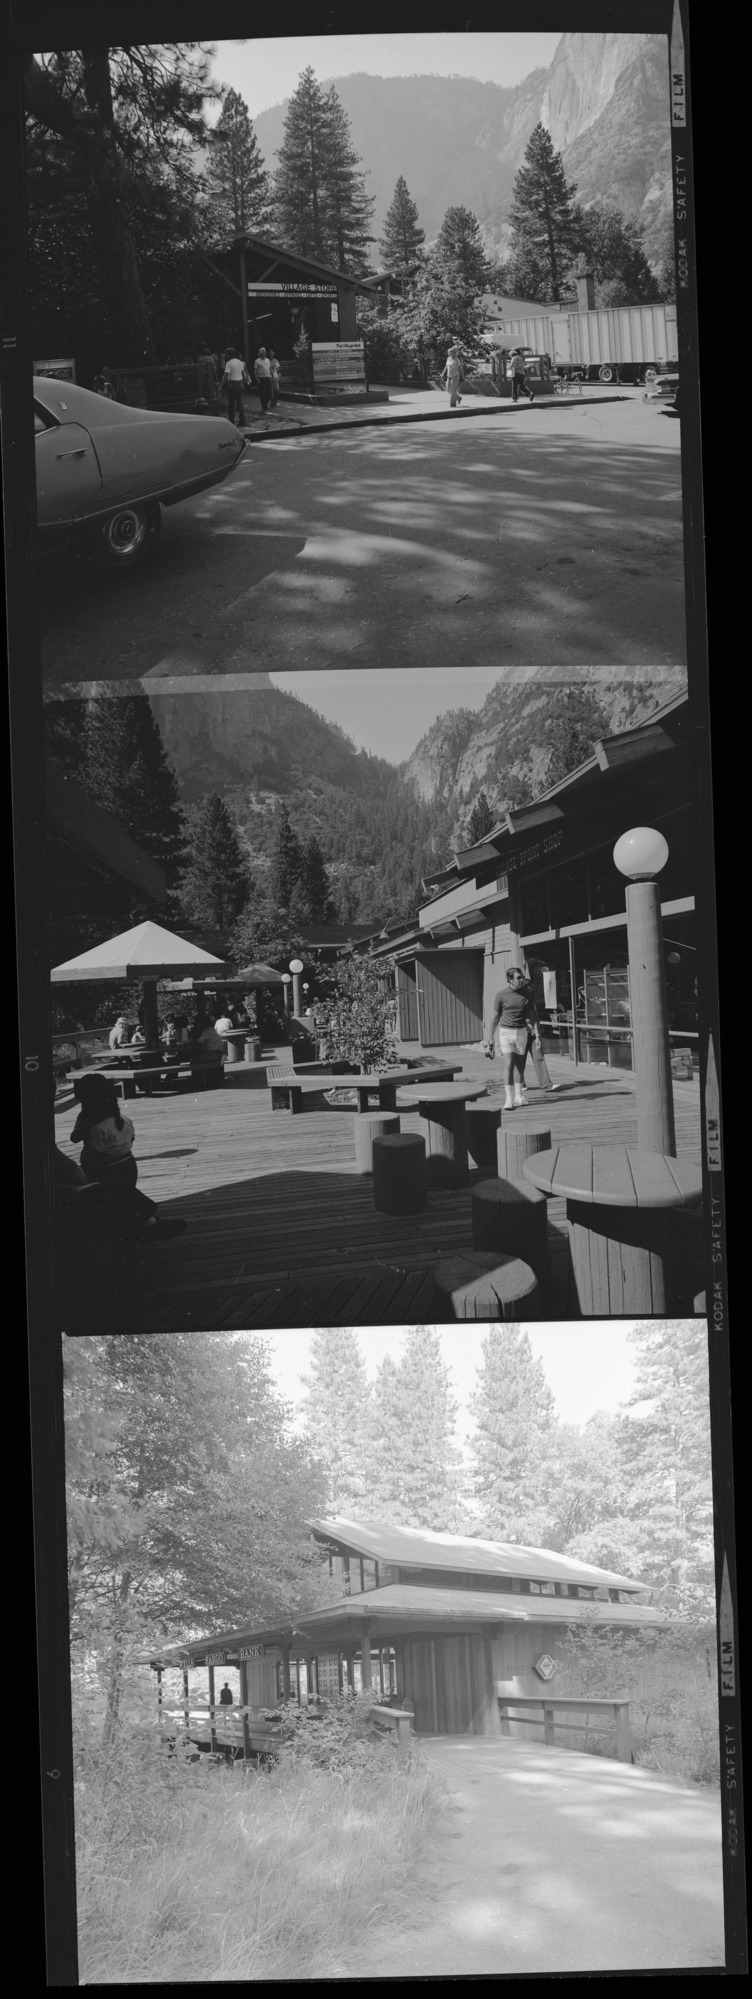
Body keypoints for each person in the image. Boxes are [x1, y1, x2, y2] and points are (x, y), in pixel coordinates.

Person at [70, 1074, 185, 1239]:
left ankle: (141, 1226)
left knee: (114, 1199)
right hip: (128, 1163)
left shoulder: (94, 1127)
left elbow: (91, 1150)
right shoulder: (123, 1120)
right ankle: (146, 1223)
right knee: (124, 1197)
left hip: (105, 1168)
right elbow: (131, 1140)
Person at [485, 966, 540, 1109]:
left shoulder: (527, 994)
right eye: (518, 978)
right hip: (506, 1033)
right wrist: (491, 1037)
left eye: (522, 978)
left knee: (519, 1066)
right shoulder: (501, 995)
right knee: (509, 1064)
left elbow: (533, 1016)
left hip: (521, 1033)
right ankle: (509, 1099)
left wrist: (537, 1035)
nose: (521, 980)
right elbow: (495, 1018)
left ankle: (519, 1096)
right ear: (510, 979)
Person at [516, 971, 563, 1095]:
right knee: (520, 1059)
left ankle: (546, 1084)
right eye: (528, 987)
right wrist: (526, 1026)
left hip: (533, 1031)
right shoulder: (519, 1000)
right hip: (521, 1031)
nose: (531, 989)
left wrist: (537, 1034)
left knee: (539, 1057)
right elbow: (514, 1017)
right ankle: (520, 1083)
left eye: (531, 987)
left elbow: (534, 1017)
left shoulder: (531, 1000)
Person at [220, 346, 251, 427]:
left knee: (231, 404)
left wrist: (221, 385)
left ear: (229, 354)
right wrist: (245, 381)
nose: (225, 356)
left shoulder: (229, 363)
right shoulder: (240, 362)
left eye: (226, 354)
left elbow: (225, 375)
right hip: (239, 383)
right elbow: (243, 373)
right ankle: (242, 421)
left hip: (232, 384)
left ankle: (231, 420)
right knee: (240, 403)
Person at [441, 344, 462, 409]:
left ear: (454, 353)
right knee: (448, 389)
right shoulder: (448, 358)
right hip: (449, 375)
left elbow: (459, 368)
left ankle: (452, 403)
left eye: (451, 352)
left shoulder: (457, 359)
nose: (450, 353)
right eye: (449, 352)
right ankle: (458, 398)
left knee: (453, 389)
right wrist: (442, 374)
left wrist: (462, 376)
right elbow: (446, 366)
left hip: (455, 375)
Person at [254, 347, 273, 412]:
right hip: (261, 378)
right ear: (260, 353)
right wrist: (257, 379)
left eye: (265, 352)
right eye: (263, 352)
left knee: (269, 392)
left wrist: (272, 377)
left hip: (268, 377)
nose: (264, 353)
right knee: (262, 393)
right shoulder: (257, 361)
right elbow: (255, 371)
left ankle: (265, 404)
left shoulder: (267, 360)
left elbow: (270, 369)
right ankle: (264, 406)